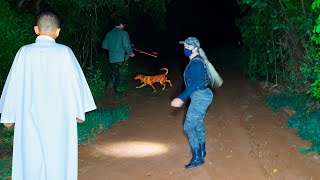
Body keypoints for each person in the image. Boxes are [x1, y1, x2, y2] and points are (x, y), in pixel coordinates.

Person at [0, 12, 96, 179]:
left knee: (29, 160)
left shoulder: (24, 53)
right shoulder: (65, 53)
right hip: (59, 118)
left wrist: (8, 116)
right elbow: (76, 83)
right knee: (58, 161)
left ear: (36, 29)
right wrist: (79, 111)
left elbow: (13, 84)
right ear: (58, 32)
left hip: (29, 118)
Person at [171, 37, 214, 169]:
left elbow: (196, 83)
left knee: (189, 127)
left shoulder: (196, 63)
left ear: (195, 48)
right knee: (197, 123)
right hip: (202, 95)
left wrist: (181, 98)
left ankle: (197, 158)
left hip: (200, 96)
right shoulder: (196, 60)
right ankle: (201, 150)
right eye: (184, 46)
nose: (185, 49)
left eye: (188, 47)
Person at [102, 17, 135, 99]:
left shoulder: (109, 33)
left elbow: (104, 46)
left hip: (112, 59)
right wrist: (131, 53)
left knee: (115, 73)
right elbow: (126, 45)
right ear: (121, 24)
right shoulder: (124, 33)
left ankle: (109, 89)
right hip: (122, 59)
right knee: (121, 76)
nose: (124, 26)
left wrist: (114, 49)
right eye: (124, 25)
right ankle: (119, 95)